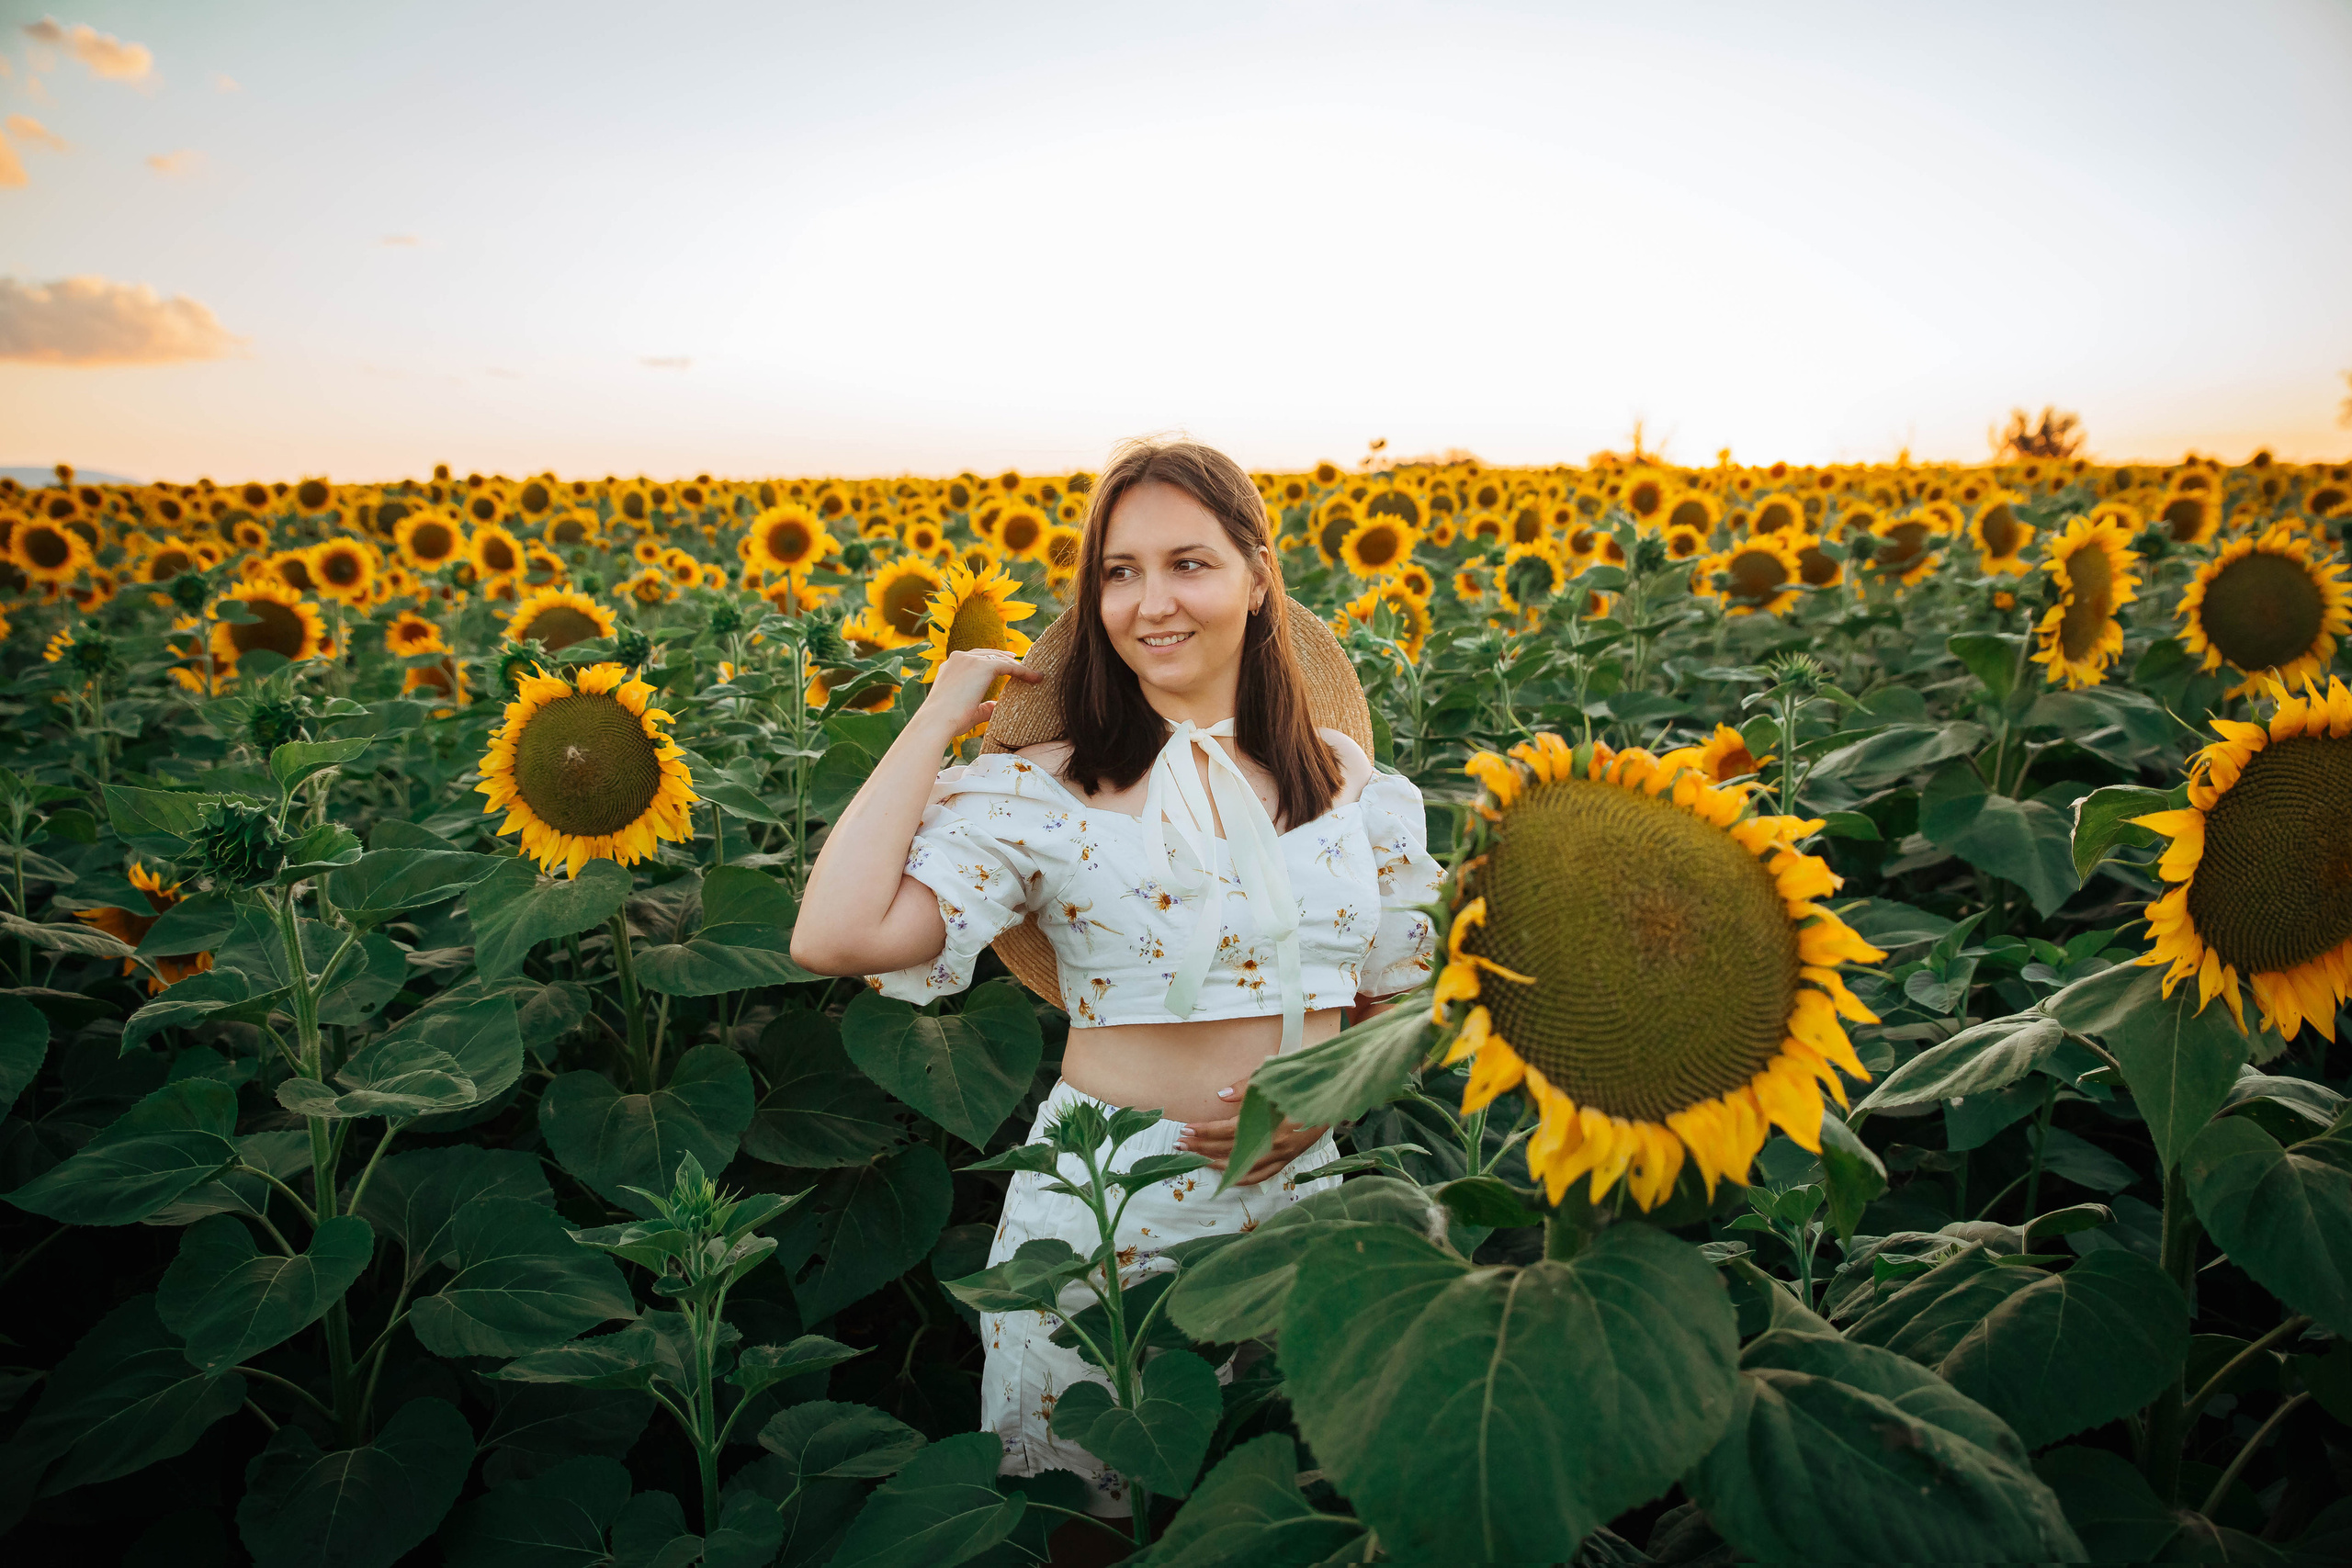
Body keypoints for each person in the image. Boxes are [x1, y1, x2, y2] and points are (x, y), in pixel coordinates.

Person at [790, 437, 1443, 1524]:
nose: (1152, 603)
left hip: (1305, 1213)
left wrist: (1327, 1099)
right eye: (1119, 572)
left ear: (1257, 577)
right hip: (1104, 1214)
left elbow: (1393, 1002)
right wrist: (933, 722)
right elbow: (836, 935)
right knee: (1083, 1521)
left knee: (1285, 1518)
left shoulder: (1344, 783)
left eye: (1188, 564)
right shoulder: (1041, 792)